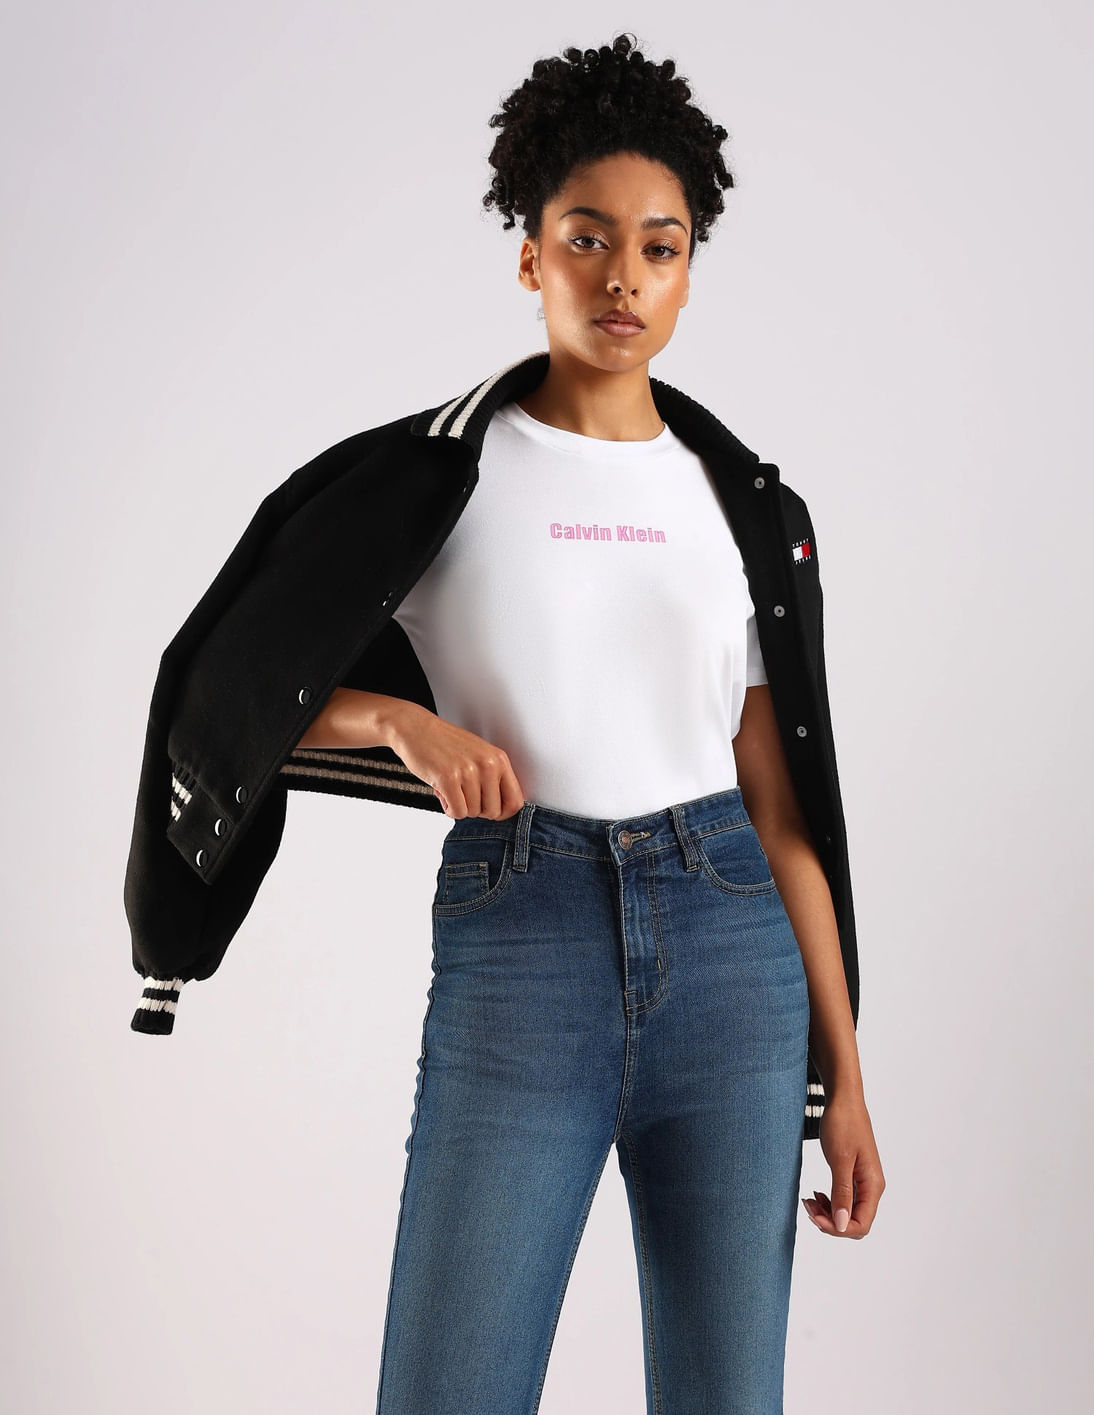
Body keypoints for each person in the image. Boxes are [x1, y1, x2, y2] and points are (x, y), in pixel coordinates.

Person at [288, 31, 886, 1415]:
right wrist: (403, 725)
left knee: (728, 1397)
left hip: (733, 950)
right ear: (530, 256)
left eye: (659, 247)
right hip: (523, 942)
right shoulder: (438, 479)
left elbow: (782, 813)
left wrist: (844, 1077)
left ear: (687, 270)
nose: (623, 276)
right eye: (588, 238)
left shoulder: (742, 505)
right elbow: (237, 706)